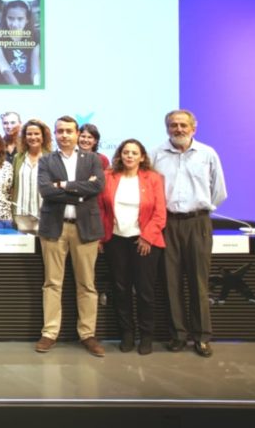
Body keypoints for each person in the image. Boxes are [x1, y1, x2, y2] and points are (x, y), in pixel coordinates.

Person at [152, 109, 227, 358]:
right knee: (171, 282)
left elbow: (219, 191)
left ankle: (202, 336)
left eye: (183, 125)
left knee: (198, 281)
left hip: (198, 223)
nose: (179, 129)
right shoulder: (156, 155)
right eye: (173, 125)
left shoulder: (207, 154)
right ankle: (178, 335)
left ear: (193, 128)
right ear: (167, 129)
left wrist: (200, 210)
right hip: (168, 224)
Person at [35, 116, 106, 357]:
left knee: (87, 284)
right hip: (54, 227)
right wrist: (79, 191)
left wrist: (62, 185)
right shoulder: (46, 160)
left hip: (85, 229)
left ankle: (87, 334)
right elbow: (45, 190)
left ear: (77, 134)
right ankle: (50, 332)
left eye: (68, 131)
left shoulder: (94, 159)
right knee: (52, 283)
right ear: (55, 134)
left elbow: (97, 188)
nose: (64, 135)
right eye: (60, 131)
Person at [98, 139, 166, 356]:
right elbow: (100, 210)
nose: (129, 156)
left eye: (134, 153)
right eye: (125, 152)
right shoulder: (108, 177)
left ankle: (146, 336)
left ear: (142, 157)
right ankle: (127, 333)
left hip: (144, 241)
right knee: (121, 289)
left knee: (145, 291)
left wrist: (147, 238)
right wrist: (100, 238)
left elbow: (159, 213)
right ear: (119, 155)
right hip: (115, 240)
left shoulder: (153, 179)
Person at [11, 119, 51, 234]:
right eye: (29, 134)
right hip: (21, 214)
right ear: (24, 137)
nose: (33, 137)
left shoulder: (52, 158)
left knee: (42, 250)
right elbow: (13, 186)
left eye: (36, 133)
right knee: (22, 251)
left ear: (43, 137)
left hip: (44, 214)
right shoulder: (17, 158)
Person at [0, 0, 40, 86]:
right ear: (5, 18)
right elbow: (5, 71)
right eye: (10, 18)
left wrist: (37, 86)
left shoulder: (34, 37)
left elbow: (35, 69)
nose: (15, 24)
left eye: (20, 19)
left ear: (27, 19)